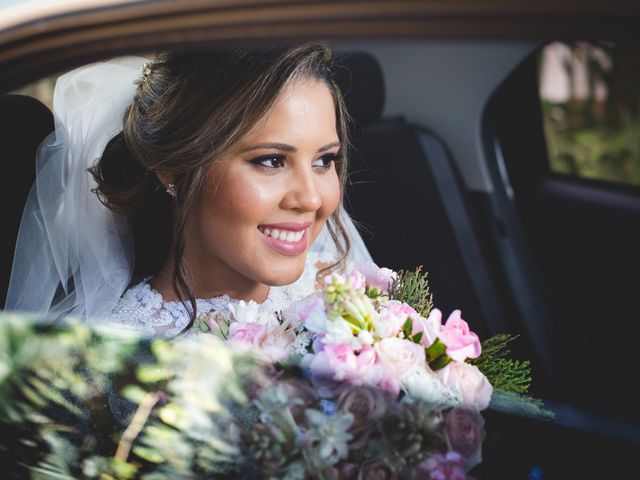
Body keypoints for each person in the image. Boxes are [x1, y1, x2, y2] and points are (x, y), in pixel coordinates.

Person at [5, 44, 372, 334]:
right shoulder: (121, 362)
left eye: (324, 161)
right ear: (174, 169)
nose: (310, 198)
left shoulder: (350, 294)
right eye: (272, 160)